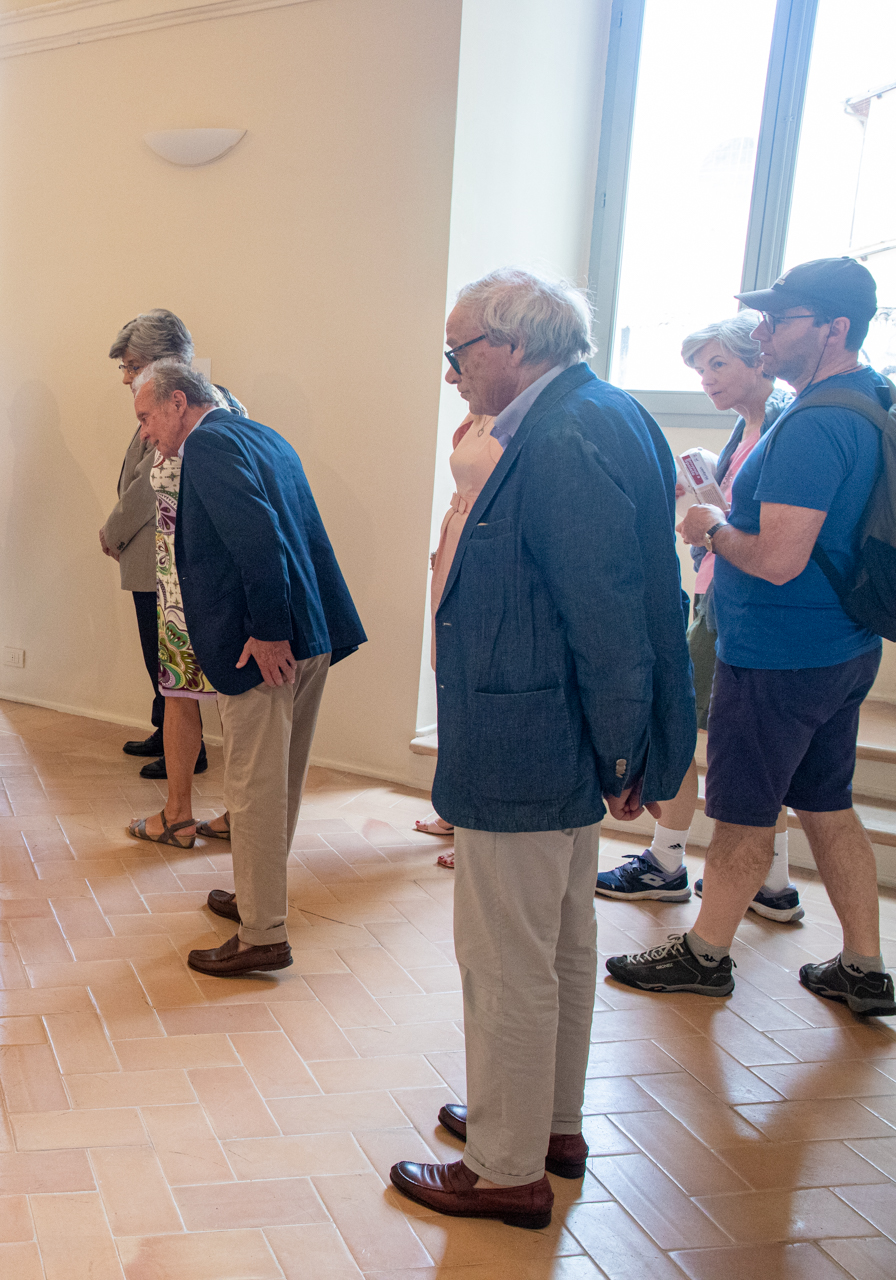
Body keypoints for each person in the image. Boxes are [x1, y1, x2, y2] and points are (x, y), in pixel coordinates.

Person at [389, 268, 693, 1230]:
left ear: (511, 346)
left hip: (530, 739)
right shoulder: (599, 410)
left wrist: (623, 753)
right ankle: (545, 1123)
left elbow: (608, 613)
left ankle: (504, 1166)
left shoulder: (561, 436)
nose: (452, 373)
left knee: (505, 957)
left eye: (458, 353)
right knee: (559, 943)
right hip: (553, 733)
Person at [608, 257, 894, 1016]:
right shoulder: (866, 398)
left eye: (781, 319)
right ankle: (865, 967)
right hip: (840, 644)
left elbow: (776, 558)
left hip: (778, 654)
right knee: (828, 804)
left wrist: (709, 525)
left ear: (833, 328)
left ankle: (705, 954)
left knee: (742, 813)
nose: (763, 332)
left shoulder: (815, 423)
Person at [125, 360, 363, 974]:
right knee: (279, 782)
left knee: (254, 790)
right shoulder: (260, 433)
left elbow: (258, 541)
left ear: (179, 402)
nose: (146, 432)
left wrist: (268, 632)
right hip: (312, 632)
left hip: (267, 647)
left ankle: (262, 934)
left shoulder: (206, 447)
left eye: (147, 417)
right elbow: (300, 534)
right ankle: (260, 899)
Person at [594, 314, 797, 916]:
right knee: (752, 749)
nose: (706, 378)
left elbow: (765, 529)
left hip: (743, 604)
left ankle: (667, 860)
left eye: (717, 364)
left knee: (677, 722)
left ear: (758, 358)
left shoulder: (781, 427)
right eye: (699, 368)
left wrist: (711, 519)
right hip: (722, 595)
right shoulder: (748, 425)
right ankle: (772, 882)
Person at [100, 310, 247, 783]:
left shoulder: (190, 408)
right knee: (159, 652)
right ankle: (166, 730)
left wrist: (113, 530)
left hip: (167, 554)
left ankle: (186, 749)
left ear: (165, 361)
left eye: (133, 366)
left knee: (171, 653)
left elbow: (151, 482)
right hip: (155, 552)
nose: (127, 377)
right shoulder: (180, 400)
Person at [416, 410, 500, 863]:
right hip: (457, 541)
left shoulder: (517, 415)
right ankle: (454, 805)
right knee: (450, 678)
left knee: (477, 685)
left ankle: (476, 823)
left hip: (483, 553)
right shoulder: (476, 413)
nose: (452, 377)